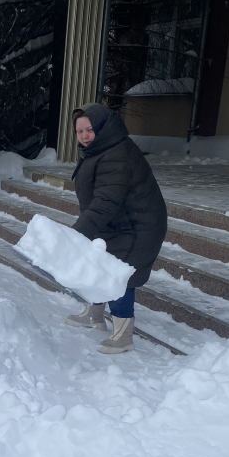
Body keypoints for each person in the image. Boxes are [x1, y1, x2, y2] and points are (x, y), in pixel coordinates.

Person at [64, 103, 167, 354]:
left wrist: (78, 232)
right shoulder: (101, 148)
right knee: (98, 265)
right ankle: (95, 315)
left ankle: (123, 337)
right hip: (116, 222)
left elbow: (106, 200)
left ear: (102, 127)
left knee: (119, 276)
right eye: (79, 131)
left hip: (138, 225)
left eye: (89, 130)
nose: (84, 136)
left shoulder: (116, 154)